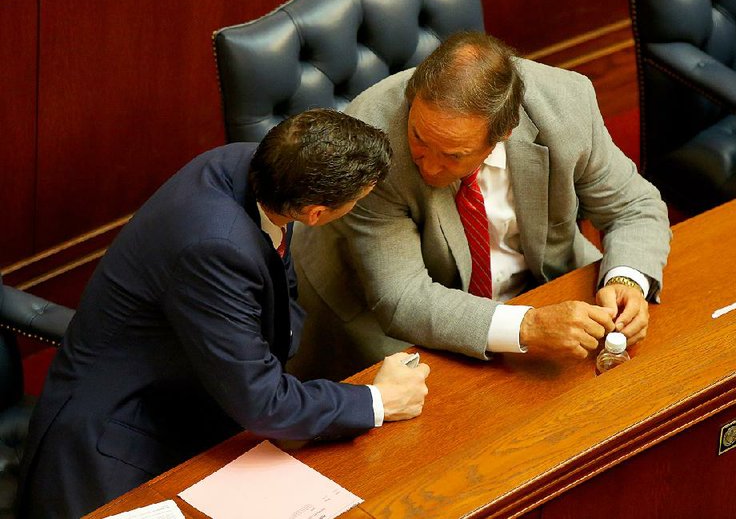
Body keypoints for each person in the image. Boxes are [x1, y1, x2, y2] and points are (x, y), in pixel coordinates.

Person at [18, 109, 431, 518]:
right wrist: (379, 400)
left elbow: (279, 296)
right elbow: (264, 402)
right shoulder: (215, 245)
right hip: (117, 442)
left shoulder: (259, 168)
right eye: (357, 200)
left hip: (203, 397)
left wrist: (265, 376)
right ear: (316, 215)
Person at [288, 31, 672, 382]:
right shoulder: (372, 139)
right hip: (377, 312)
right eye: (419, 137)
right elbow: (402, 298)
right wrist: (527, 327)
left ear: (504, 133)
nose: (430, 165)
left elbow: (634, 206)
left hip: (540, 284)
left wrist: (626, 280)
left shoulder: (567, 106)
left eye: (453, 154)